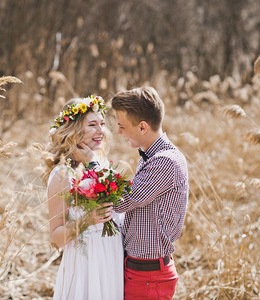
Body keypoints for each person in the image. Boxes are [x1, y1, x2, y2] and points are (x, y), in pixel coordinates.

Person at [111, 86, 189, 300]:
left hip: (149, 275)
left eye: (122, 126)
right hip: (140, 269)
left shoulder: (165, 162)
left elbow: (123, 201)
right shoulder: (150, 156)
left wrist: (90, 179)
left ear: (143, 127)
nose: (119, 132)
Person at [45, 95, 124, 300]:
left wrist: (91, 161)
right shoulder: (62, 175)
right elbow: (55, 237)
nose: (101, 131)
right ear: (74, 130)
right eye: (92, 125)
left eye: (102, 124)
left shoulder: (100, 164)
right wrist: (88, 220)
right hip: (85, 262)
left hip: (111, 255)